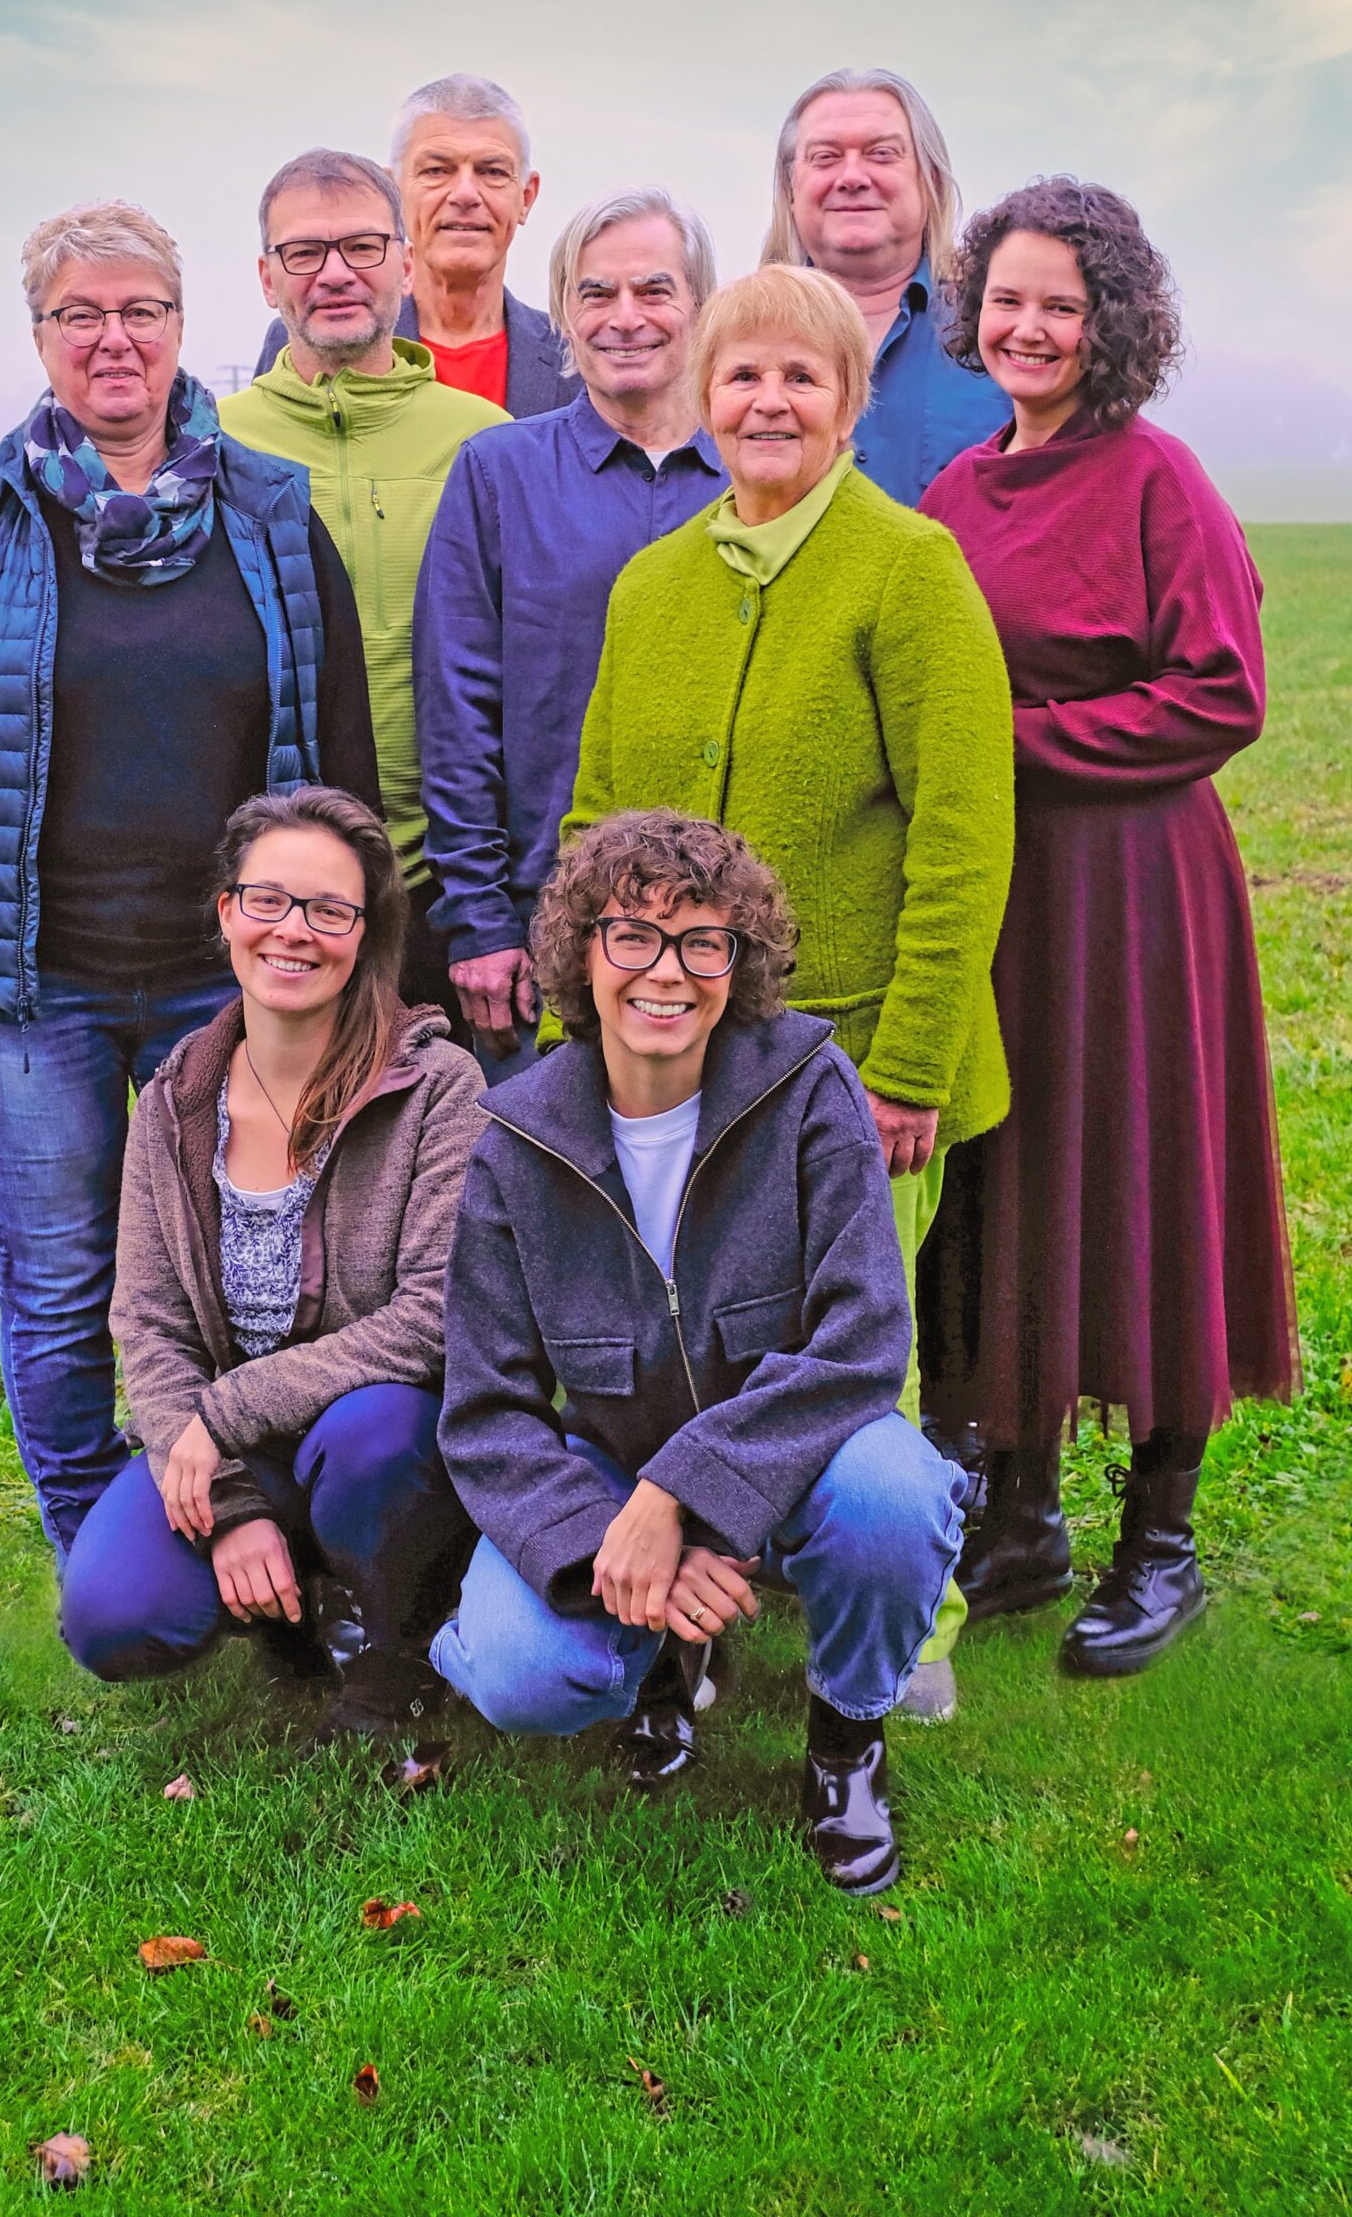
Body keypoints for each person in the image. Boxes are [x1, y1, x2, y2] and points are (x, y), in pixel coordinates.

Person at [0, 202, 379, 1562]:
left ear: (181, 326)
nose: (113, 339)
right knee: (59, 1280)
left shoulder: (270, 511)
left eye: (140, 311)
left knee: (266, 1273)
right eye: (79, 314)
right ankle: (104, 1553)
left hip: (238, 983)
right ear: (40, 336)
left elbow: (340, 759)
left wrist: (349, 963)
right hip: (36, 988)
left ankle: (281, 1537)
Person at [562, 264, 1014, 1719]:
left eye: (800, 378)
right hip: (670, 1052)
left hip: (857, 1054)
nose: (767, 402)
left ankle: (904, 1634)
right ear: (702, 397)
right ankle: (693, 1597)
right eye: (741, 375)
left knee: (855, 1353)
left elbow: (962, 832)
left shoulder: (908, 567)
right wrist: (590, 1030)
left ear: (849, 402)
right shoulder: (655, 583)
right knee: (684, 1334)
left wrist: (914, 1063)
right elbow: (595, 820)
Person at [433, 810, 967, 1893]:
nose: (666, 972)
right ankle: (657, 1664)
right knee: (521, 1673)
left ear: (741, 961)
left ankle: (845, 1742)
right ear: (583, 954)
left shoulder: (809, 1087)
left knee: (896, 1495)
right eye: (632, 935)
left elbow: (863, 1336)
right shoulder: (515, 1144)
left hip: (798, 1455)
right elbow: (486, 1412)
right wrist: (618, 1538)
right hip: (612, 1471)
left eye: (702, 942)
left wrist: (682, 1496)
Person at [917, 178, 1299, 1675]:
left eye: (1060, 307)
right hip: (1000, 896)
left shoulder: (1159, 481)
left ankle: (1161, 1541)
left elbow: (1220, 694)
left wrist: (1012, 743)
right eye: (1006, 299)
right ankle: (1018, 1519)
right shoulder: (955, 493)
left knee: (1144, 1179)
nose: (1027, 327)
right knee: (1007, 1179)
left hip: (1136, 889)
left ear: (1112, 322)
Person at [59, 787, 486, 1739]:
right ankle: (289, 1610)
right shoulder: (175, 1098)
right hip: (234, 1446)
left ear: (365, 935)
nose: (294, 931)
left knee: (376, 1441)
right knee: (111, 1618)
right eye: (268, 901)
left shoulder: (436, 1087)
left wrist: (224, 1413)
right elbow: (148, 1320)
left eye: (330, 910)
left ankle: (401, 1645)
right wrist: (228, 1498)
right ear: (227, 913)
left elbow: (433, 1318)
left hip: (383, 1435)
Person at [414, 189, 726, 1071]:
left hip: (727, 926)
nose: (625, 317)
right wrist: (479, 920)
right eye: (596, 293)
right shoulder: (498, 473)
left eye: (654, 290)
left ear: (702, 305)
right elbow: (456, 707)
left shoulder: (757, 479)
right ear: (562, 313)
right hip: (544, 929)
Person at [222, 150, 508, 1028]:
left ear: (407, 264)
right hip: (276, 894)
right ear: (266, 278)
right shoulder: (213, 450)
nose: (335, 273)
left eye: (362, 247)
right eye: (304, 252)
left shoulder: (488, 442)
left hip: (451, 885)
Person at [252, 75, 577, 416]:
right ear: (393, 194)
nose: (465, 194)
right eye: (436, 170)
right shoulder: (307, 336)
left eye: (492, 172)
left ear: (526, 197)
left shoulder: (574, 355)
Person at [761, 67, 1006, 504]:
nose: (852, 177)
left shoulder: (1001, 333)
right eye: (825, 157)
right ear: (790, 186)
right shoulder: (736, 342)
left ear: (930, 179)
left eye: (881, 154)